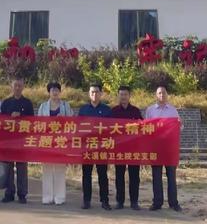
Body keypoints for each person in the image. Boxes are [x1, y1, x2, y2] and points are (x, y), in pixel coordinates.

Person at [145, 85, 182, 212]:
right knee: (156, 176)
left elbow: (179, 127)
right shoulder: (150, 110)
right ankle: (157, 202)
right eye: (159, 93)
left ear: (167, 95)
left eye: (164, 93)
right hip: (156, 148)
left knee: (171, 176)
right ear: (156, 95)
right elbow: (146, 129)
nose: (162, 95)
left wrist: (179, 125)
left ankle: (173, 203)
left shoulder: (173, 110)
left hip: (169, 149)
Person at [37, 82, 74, 205]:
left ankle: (60, 197)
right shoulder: (43, 106)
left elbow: (72, 122)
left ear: (60, 92)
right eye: (52, 90)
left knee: (59, 169)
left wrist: (63, 119)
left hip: (61, 141)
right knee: (47, 169)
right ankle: (47, 197)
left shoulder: (65, 106)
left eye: (57, 90)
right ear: (49, 92)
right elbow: (38, 124)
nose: (55, 92)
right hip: (47, 141)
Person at [78, 83, 112, 211]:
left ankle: (105, 201)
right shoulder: (83, 110)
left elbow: (111, 129)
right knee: (86, 174)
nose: (94, 94)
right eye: (92, 92)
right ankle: (86, 200)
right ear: (89, 94)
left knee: (102, 175)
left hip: (102, 148)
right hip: (87, 147)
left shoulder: (107, 110)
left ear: (101, 93)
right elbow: (78, 128)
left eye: (97, 92)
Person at [0, 77, 34, 204]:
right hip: (8, 140)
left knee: (22, 168)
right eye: (15, 85)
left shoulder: (28, 103)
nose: (18, 88)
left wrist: (21, 117)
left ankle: (22, 194)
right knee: (8, 168)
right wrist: (10, 117)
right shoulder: (6, 103)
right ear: (12, 87)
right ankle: (9, 193)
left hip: (22, 140)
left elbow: (33, 122)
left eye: (20, 85)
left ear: (23, 87)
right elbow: (0, 122)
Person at [111, 85, 142, 210]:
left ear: (129, 96)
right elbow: (108, 129)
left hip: (134, 148)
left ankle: (134, 201)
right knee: (119, 175)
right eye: (121, 94)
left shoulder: (135, 111)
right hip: (119, 148)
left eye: (125, 94)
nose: (123, 97)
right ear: (118, 96)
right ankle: (120, 201)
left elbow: (143, 127)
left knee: (135, 176)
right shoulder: (113, 111)